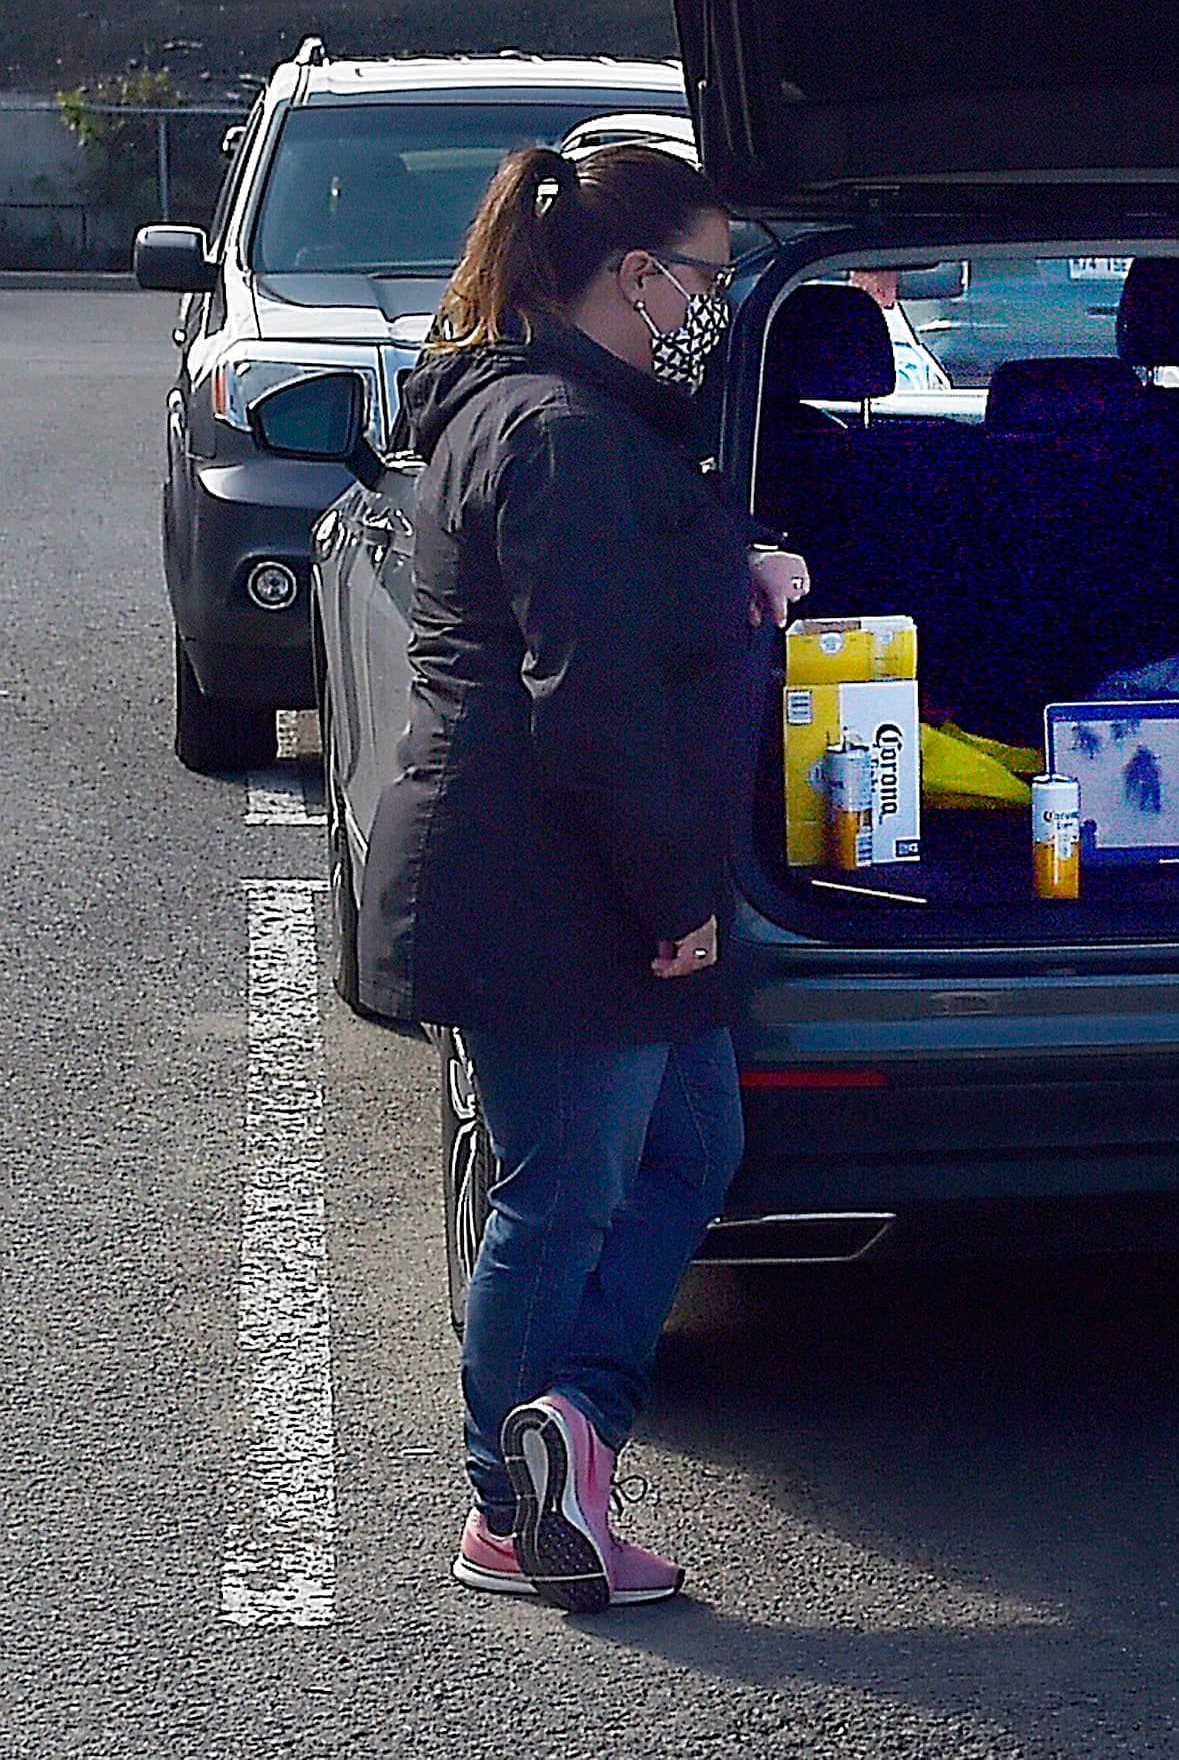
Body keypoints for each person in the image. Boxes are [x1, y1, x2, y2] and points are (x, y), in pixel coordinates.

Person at [356, 142, 810, 1612]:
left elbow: (627, 589)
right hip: (546, 890)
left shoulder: (574, 418)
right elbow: (591, 698)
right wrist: (676, 898)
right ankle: (511, 1503)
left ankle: (571, 1433)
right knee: (559, 1194)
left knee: (689, 1150)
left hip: (571, 880)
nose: (716, 308)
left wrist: (740, 561)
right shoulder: (554, 429)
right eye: (709, 279)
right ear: (635, 276)